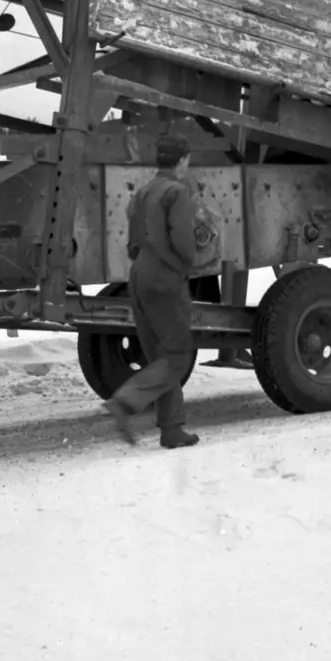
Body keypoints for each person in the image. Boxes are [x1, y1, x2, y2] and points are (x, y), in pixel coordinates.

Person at [104, 133, 201, 449]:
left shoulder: (143, 193)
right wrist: (188, 263)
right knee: (176, 356)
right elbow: (184, 243)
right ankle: (124, 402)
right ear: (182, 161)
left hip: (139, 276)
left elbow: (132, 243)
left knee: (160, 355)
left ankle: (172, 429)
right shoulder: (177, 192)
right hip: (164, 277)